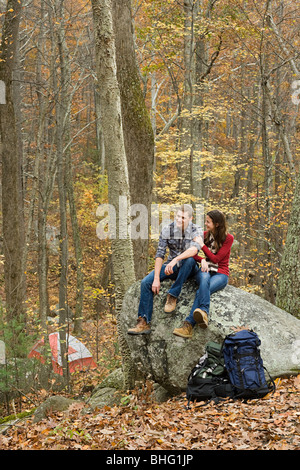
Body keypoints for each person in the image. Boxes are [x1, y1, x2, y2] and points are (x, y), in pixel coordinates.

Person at [128, 204, 202, 335]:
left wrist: (175, 259)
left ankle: (173, 295)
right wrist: (156, 278)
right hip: (171, 268)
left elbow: (193, 250)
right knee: (146, 282)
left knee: (189, 260)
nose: (179, 219)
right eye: (178, 216)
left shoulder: (197, 230)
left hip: (189, 268)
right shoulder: (167, 229)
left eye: (183, 218)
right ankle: (144, 321)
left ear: (191, 219)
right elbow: (160, 254)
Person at [173, 209, 234, 339]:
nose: (205, 224)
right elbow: (191, 251)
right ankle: (204, 312)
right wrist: (201, 260)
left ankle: (188, 325)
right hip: (206, 270)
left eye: (208, 222)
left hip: (221, 274)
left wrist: (202, 245)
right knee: (204, 278)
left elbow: (216, 259)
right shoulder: (204, 235)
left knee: (201, 291)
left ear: (217, 224)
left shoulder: (228, 238)